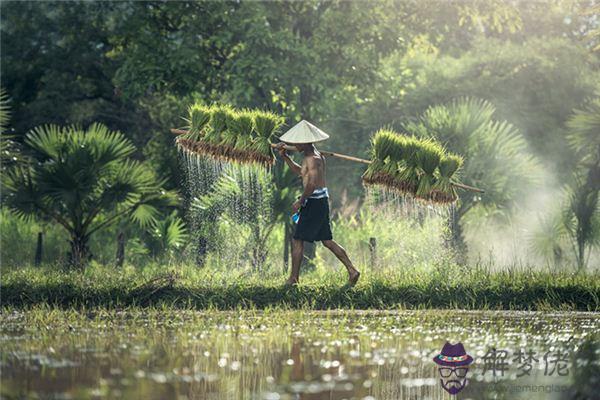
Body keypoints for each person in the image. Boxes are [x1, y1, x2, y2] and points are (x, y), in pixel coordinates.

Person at [275, 120, 360, 286]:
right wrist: (285, 157)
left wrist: (300, 201)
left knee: (298, 239)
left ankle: (293, 279)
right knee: (327, 241)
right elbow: (301, 172)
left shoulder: (313, 159)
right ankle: (352, 270)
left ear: (305, 142)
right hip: (319, 201)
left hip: (314, 202)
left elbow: (312, 184)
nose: (295, 144)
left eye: (297, 142)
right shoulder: (313, 156)